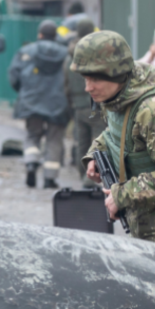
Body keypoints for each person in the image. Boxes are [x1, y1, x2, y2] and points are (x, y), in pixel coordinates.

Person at [74, 31, 155, 249]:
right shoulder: (120, 94)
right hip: (145, 216)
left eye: (95, 79)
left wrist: (121, 195)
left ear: (116, 73)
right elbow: (116, 133)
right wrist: (95, 154)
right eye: (86, 79)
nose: (88, 88)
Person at [9, 20, 70, 189]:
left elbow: (14, 75)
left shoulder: (26, 51)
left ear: (40, 35)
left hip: (32, 101)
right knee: (54, 139)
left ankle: (31, 162)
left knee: (32, 135)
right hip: (58, 103)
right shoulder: (66, 54)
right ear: (55, 36)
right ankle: (50, 178)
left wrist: (23, 92)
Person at [63, 18, 106, 185]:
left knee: (81, 142)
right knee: (98, 140)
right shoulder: (95, 54)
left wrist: (71, 103)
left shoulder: (69, 56)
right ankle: (94, 178)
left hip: (77, 105)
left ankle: (83, 176)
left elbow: (65, 84)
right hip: (95, 104)